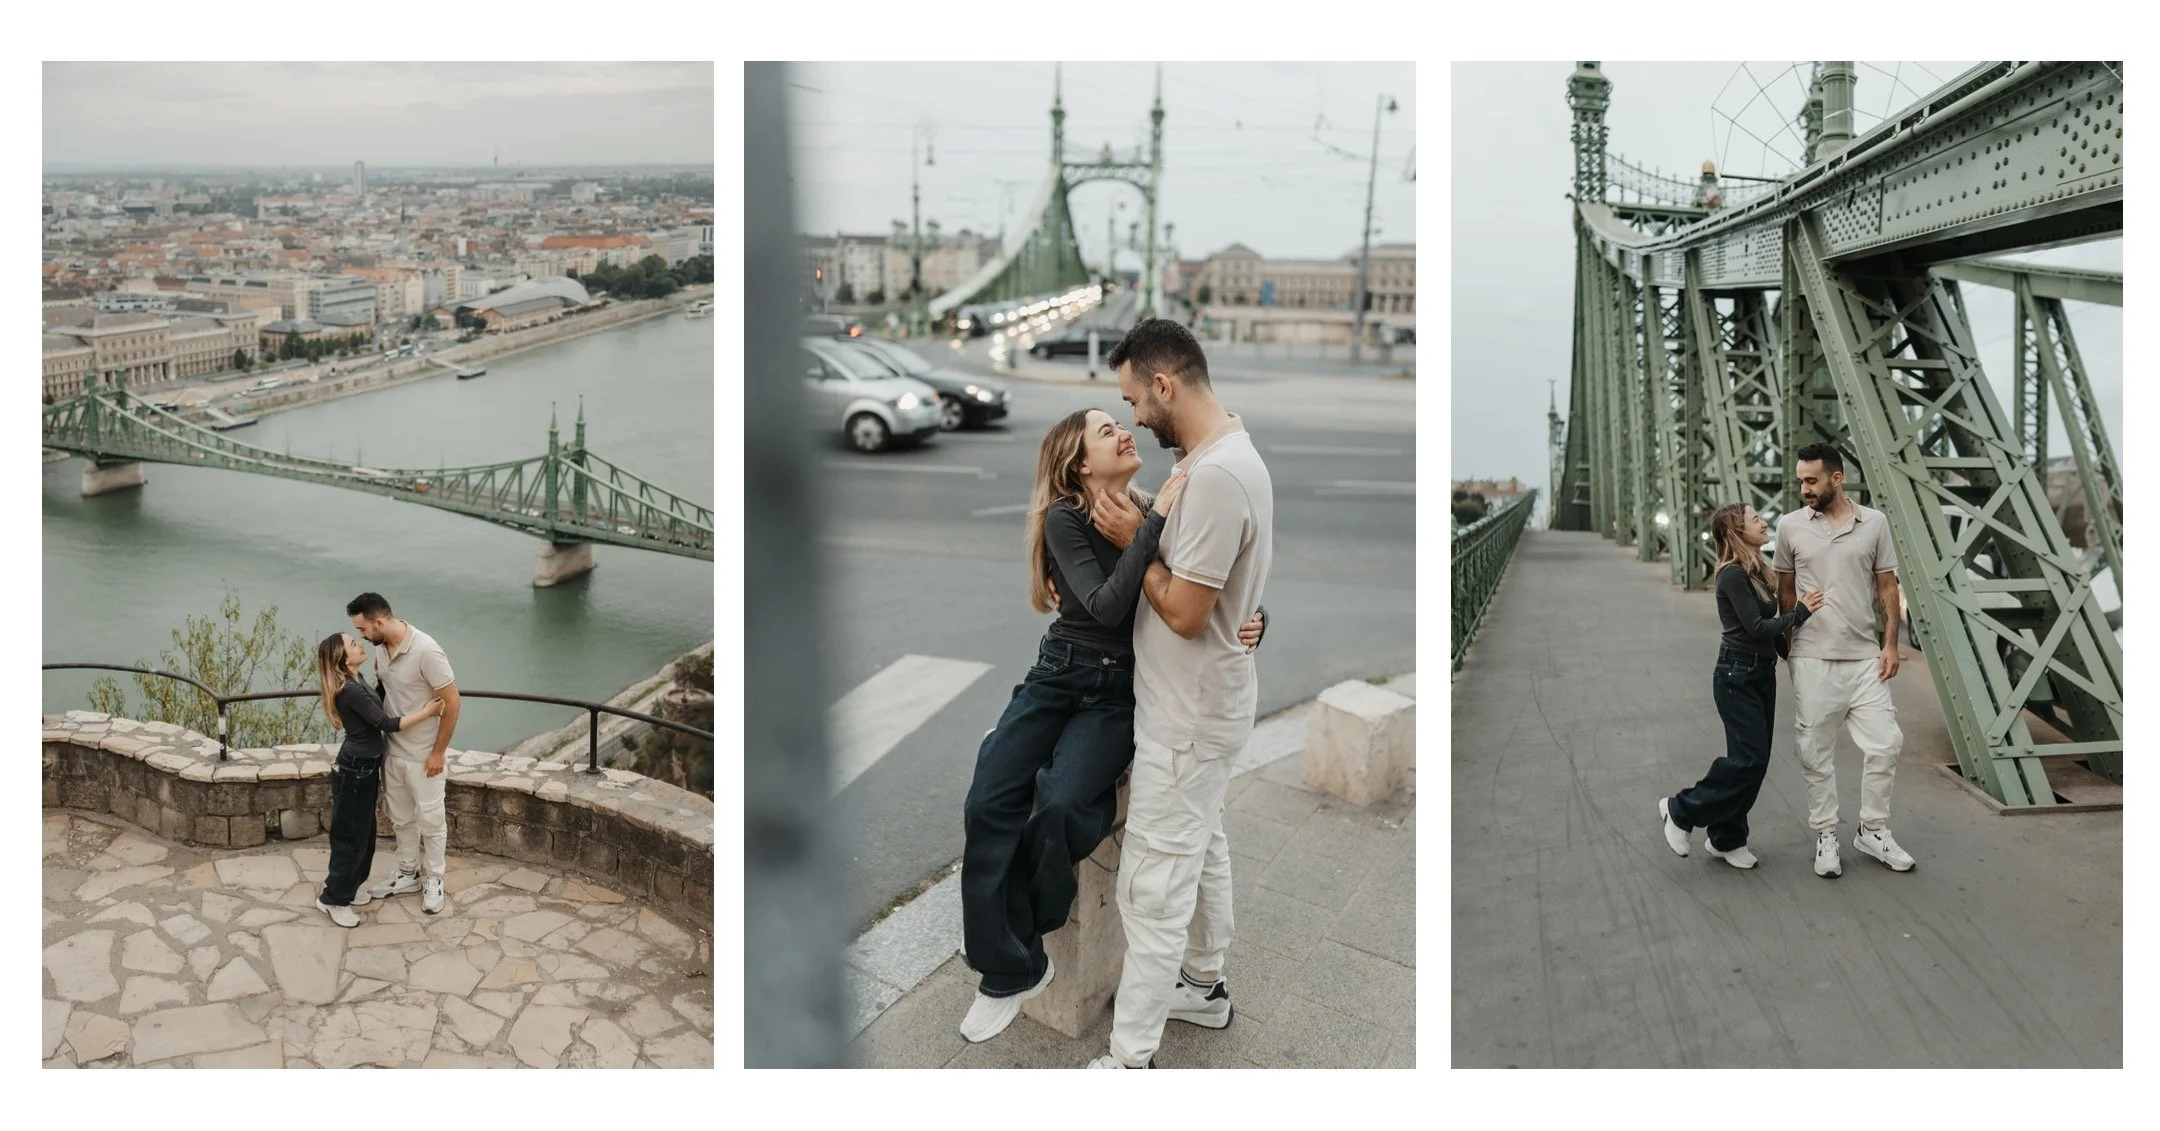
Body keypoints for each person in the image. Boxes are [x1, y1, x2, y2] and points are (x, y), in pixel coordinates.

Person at [958, 407, 1266, 1044]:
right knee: (989, 797)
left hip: (1118, 692)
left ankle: (1025, 940)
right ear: (1079, 464)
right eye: (1106, 430)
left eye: (1119, 423)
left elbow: (1215, 579)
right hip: (1059, 672)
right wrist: (1148, 527)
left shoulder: (1154, 507)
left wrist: (1259, 615)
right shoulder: (1067, 518)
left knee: (1064, 803)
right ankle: (1008, 971)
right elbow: (1103, 606)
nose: (1126, 431)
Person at [1090, 318, 1273, 1070]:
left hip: (1188, 718)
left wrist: (1138, 533)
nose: (1133, 415)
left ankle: (1131, 1061)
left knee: (1153, 886)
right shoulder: (1222, 451)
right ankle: (1203, 985)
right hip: (1211, 707)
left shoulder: (1217, 476)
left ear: (1164, 385)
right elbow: (1234, 587)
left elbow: (1190, 613)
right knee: (1204, 852)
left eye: (1135, 398)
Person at [1657, 504, 1825, 868]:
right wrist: (1801, 613)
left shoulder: (1758, 571)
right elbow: (1756, 628)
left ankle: (1727, 837)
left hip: (1759, 675)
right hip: (1736, 676)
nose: (1764, 521)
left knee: (1752, 762)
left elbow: (1771, 635)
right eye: (1754, 518)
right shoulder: (1732, 575)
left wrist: (1791, 656)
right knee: (1749, 760)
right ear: (1736, 530)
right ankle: (1680, 809)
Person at [1776, 443, 1916, 877]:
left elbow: (1888, 588)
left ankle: (1872, 830)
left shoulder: (1873, 523)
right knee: (1815, 752)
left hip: (1863, 658)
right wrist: (1789, 647)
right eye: (1800, 480)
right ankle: (1826, 836)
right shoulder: (1790, 527)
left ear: (1837, 478)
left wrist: (1890, 644)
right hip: (1814, 657)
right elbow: (1785, 590)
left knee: (1886, 743)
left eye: (1811, 480)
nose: (1804, 488)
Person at [313, 632, 444, 928]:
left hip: (366, 767)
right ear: (342, 659)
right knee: (350, 838)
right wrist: (427, 711)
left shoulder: (357, 682)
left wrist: (383, 679)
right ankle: (333, 899)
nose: (360, 644)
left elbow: (377, 706)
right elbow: (386, 724)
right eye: (353, 644)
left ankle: (349, 887)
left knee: (364, 834)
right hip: (355, 769)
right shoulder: (350, 690)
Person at [347, 592, 464, 913]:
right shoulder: (381, 652)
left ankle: (435, 879)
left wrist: (439, 752)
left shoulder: (427, 651)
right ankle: (407, 872)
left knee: (431, 819)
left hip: (424, 755)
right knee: (400, 819)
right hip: (392, 752)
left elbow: (452, 701)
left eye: (363, 629)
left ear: (379, 622)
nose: (361, 636)